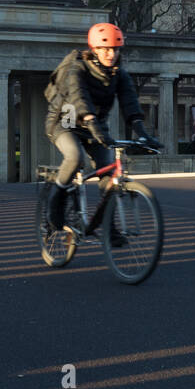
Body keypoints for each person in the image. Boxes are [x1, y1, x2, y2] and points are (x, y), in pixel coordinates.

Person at [42, 23, 161, 237]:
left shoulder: (119, 75)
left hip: (94, 126)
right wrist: (92, 122)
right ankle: (54, 203)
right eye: (105, 49)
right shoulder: (76, 68)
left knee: (108, 172)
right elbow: (79, 97)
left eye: (115, 49)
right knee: (75, 157)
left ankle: (108, 226)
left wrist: (142, 132)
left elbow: (130, 104)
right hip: (65, 121)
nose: (111, 54)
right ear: (94, 50)